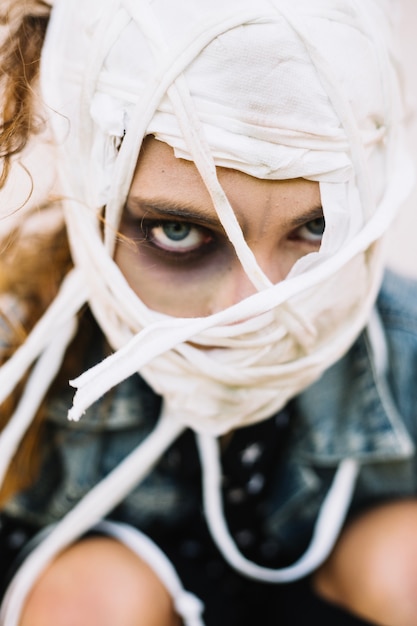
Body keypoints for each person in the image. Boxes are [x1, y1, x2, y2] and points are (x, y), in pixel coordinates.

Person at [0, 0, 417, 624]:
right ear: (96, 197)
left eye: (317, 229)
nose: (251, 310)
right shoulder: (20, 350)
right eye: (175, 231)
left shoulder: (400, 345)